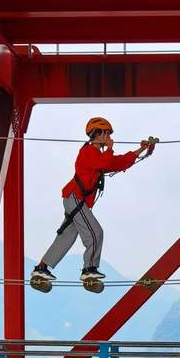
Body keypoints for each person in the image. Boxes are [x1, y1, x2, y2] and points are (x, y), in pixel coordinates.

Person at [31, 116, 154, 284]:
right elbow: (103, 163)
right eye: (107, 133)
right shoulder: (88, 152)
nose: (109, 137)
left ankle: (42, 269)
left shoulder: (98, 154)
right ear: (99, 134)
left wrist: (140, 150)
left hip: (75, 200)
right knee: (96, 232)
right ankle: (89, 269)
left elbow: (118, 163)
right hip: (76, 199)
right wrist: (110, 149)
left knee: (66, 236)